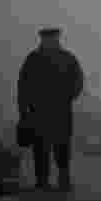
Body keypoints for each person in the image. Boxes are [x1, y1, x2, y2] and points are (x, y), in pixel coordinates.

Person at [17, 28, 85, 191]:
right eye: (48, 39)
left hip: (50, 110)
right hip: (51, 110)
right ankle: (50, 181)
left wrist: (24, 110)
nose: (50, 42)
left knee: (57, 146)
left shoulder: (34, 59)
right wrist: (24, 110)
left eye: (51, 39)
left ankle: (56, 180)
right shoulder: (64, 58)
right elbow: (23, 86)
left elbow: (78, 82)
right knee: (45, 147)